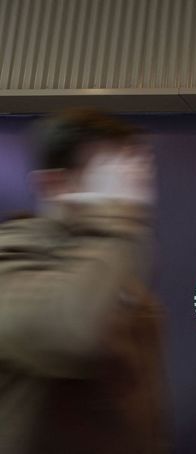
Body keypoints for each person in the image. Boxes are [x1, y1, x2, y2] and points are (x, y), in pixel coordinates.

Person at [0, 110, 168, 453]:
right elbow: (69, 337)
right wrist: (111, 221)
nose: (132, 198)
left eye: (136, 178)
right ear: (55, 185)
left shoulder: (112, 266)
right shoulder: (13, 256)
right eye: (112, 178)